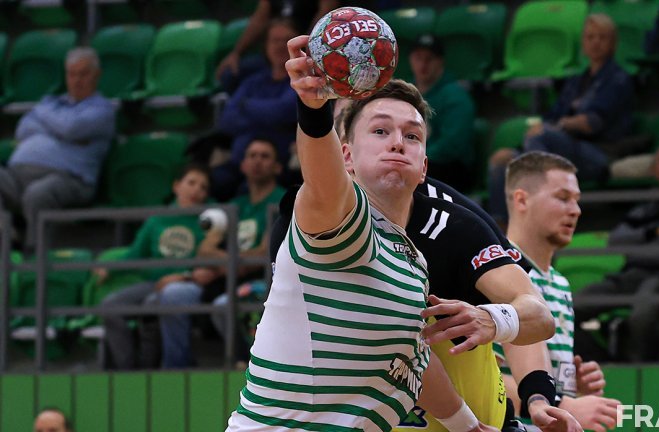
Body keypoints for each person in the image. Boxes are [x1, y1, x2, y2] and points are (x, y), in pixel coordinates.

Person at [225, 32, 554, 431]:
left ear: (424, 166)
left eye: (412, 135)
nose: (397, 142)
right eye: (380, 131)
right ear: (346, 156)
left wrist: (468, 426)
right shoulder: (333, 220)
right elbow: (324, 182)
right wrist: (312, 109)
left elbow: (410, 360)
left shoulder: (412, 265)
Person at [498, 151, 621, 432]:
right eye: (563, 198)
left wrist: (570, 385)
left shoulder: (559, 283)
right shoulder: (496, 273)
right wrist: (562, 404)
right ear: (522, 200)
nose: (575, 210)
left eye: (576, 199)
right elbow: (479, 375)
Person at [574, 141, 659, 362]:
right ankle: (608, 363)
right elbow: (616, 240)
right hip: (630, 275)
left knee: (642, 317)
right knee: (566, 312)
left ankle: (644, 370)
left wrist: (639, 245)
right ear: (655, 169)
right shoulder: (643, 208)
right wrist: (653, 232)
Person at [487, 14, 633, 222]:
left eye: (602, 37)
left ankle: (538, 208)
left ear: (613, 43)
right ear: (583, 43)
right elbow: (553, 115)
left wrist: (558, 126)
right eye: (590, 37)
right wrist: (537, 133)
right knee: (501, 161)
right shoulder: (577, 80)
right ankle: (501, 231)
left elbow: (591, 124)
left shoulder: (618, 79)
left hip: (599, 153)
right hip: (561, 148)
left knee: (543, 135)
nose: (596, 42)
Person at [153, 139, 285, 368]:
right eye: (252, 156)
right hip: (226, 277)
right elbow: (204, 251)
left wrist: (225, 263)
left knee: (224, 304)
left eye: (265, 156)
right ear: (242, 165)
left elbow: (264, 254)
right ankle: (177, 367)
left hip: (265, 281)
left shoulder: (282, 201)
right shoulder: (233, 205)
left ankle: (248, 363)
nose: (257, 161)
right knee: (174, 295)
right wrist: (232, 265)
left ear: (277, 167)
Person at [0, 47, 115, 251]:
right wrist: (59, 129)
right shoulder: (52, 103)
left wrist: (42, 116)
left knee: (37, 193)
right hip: (19, 174)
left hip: (70, 178)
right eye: (72, 74)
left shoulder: (102, 109)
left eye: (83, 74)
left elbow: (71, 129)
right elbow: (22, 129)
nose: (77, 80)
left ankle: (34, 252)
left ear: (96, 75)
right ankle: (6, 238)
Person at [99, 164, 212, 370]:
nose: (197, 190)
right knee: (110, 306)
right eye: (191, 183)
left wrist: (184, 275)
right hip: (154, 283)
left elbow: (210, 262)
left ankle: (156, 367)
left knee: (152, 304)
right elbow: (135, 255)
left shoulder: (210, 220)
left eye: (203, 187)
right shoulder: (157, 219)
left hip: (185, 284)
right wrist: (108, 268)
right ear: (176, 186)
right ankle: (127, 370)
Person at [213, 18, 300, 201]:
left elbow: (282, 111)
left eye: (286, 40)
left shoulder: (301, 81)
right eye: (274, 40)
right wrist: (267, 115)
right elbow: (227, 119)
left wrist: (246, 105)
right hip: (240, 162)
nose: (280, 46)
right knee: (217, 180)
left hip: (280, 164)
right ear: (266, 46)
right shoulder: (253, 82)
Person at [216, 0, 338, 92]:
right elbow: (260, 19)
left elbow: (326, 16)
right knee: (230, 74)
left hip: (307, 50)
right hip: (273, 48)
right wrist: (236, 53)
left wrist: (308, 47)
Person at [408, 34, 476, 192]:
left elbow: (452, 145)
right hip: (417, 161)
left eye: (429, 59)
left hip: (450, 169)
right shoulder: (404, 92)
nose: (423, 64)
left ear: (440, 61)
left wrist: (416, 157)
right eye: (418, 58)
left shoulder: (455, 96)